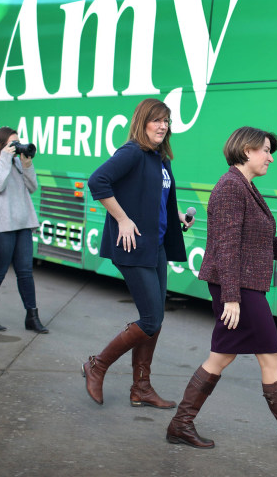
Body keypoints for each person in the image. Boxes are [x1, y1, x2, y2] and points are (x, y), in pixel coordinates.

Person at [166, 127, 277, 453]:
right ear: (246, 150)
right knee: (272, 355)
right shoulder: (231, 188)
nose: (270, 157)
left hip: (242, 282)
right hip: (238, 286)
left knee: (222, 355)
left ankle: (180, 423)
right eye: (266, 150)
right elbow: (226, 246)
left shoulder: (245, 186)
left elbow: (244, 240)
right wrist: (231, 296)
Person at [83, 98, 194, 409]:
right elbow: (97, 181)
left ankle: (141, 388)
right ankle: (98, 365)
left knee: (155, 320)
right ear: (143, 121)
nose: (163, 126)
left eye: (167, 121)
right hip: (132, 247)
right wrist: (122, 218)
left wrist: (178, 222)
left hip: (155, 246)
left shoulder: (161, 159)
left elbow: (155, 201)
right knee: (150, 318)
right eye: (156, 120)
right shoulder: (132, 152)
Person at [0, 127, 47, 333]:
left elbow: (33, 187)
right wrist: (6, 159)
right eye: (12, 143)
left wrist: (27, 165)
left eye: (18, 142)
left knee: (25, 271)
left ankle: (32, 317)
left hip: (22, 223)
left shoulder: (16, 163)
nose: (16, 146)